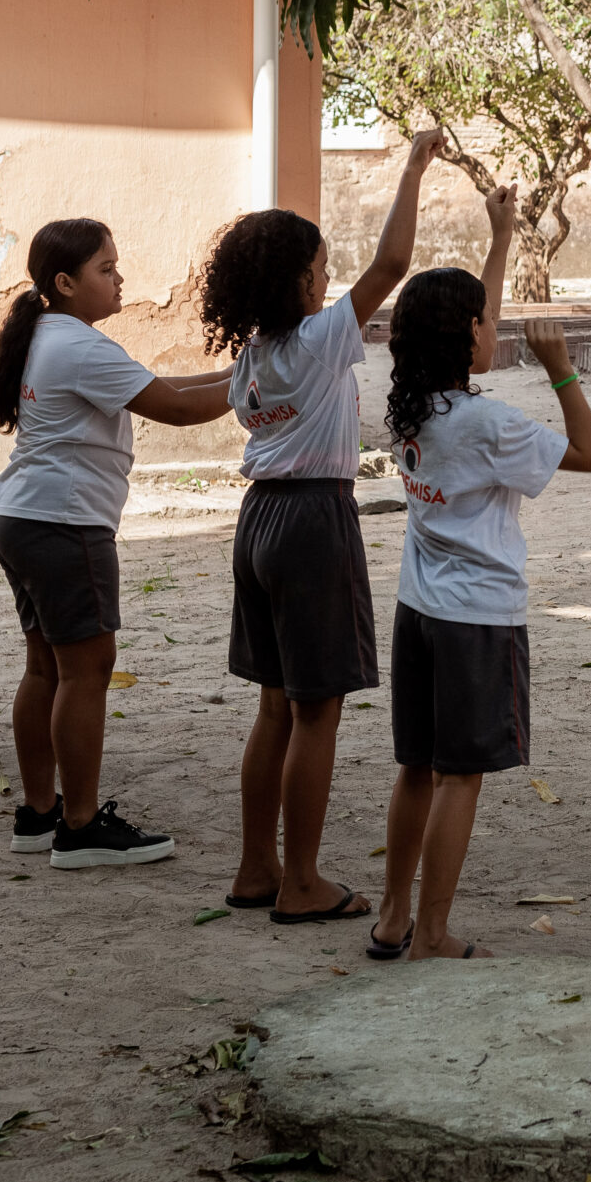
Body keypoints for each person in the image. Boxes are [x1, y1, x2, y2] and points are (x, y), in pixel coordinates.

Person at [201, 135, 473, 922]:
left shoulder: (252, 355)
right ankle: (303, 880)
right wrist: (414, 171)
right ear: (298, 280)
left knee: (274, 706)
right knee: (317, 710)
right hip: (314, 518)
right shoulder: (320, 339)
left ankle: (258, 865)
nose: (329, 276)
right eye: (320, 266)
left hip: (257, 520)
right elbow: (391, 267)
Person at [0, 219, 234, 868]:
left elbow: (168, 389)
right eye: (106, 269)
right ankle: (82, 825)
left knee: (46, 668)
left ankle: (41, 812)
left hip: (22, 514)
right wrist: (262, 378)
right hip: (65, 524)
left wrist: (241, 371)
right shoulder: (81, 346)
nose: (120, 279)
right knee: (85, 672)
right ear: (65, 282)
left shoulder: (50, 333)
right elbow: (175, 408)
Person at [370, 278, 591, 960]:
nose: (493, 327)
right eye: (484, 320)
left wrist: (500, 236)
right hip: (476, 619)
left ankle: (393, 918)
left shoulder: (415, 407)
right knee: (459, 776)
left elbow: (465, 311)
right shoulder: (489, 423)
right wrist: (562, 367)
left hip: (418, 608)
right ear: (465, 334)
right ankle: (434, 932)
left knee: (417, 767)